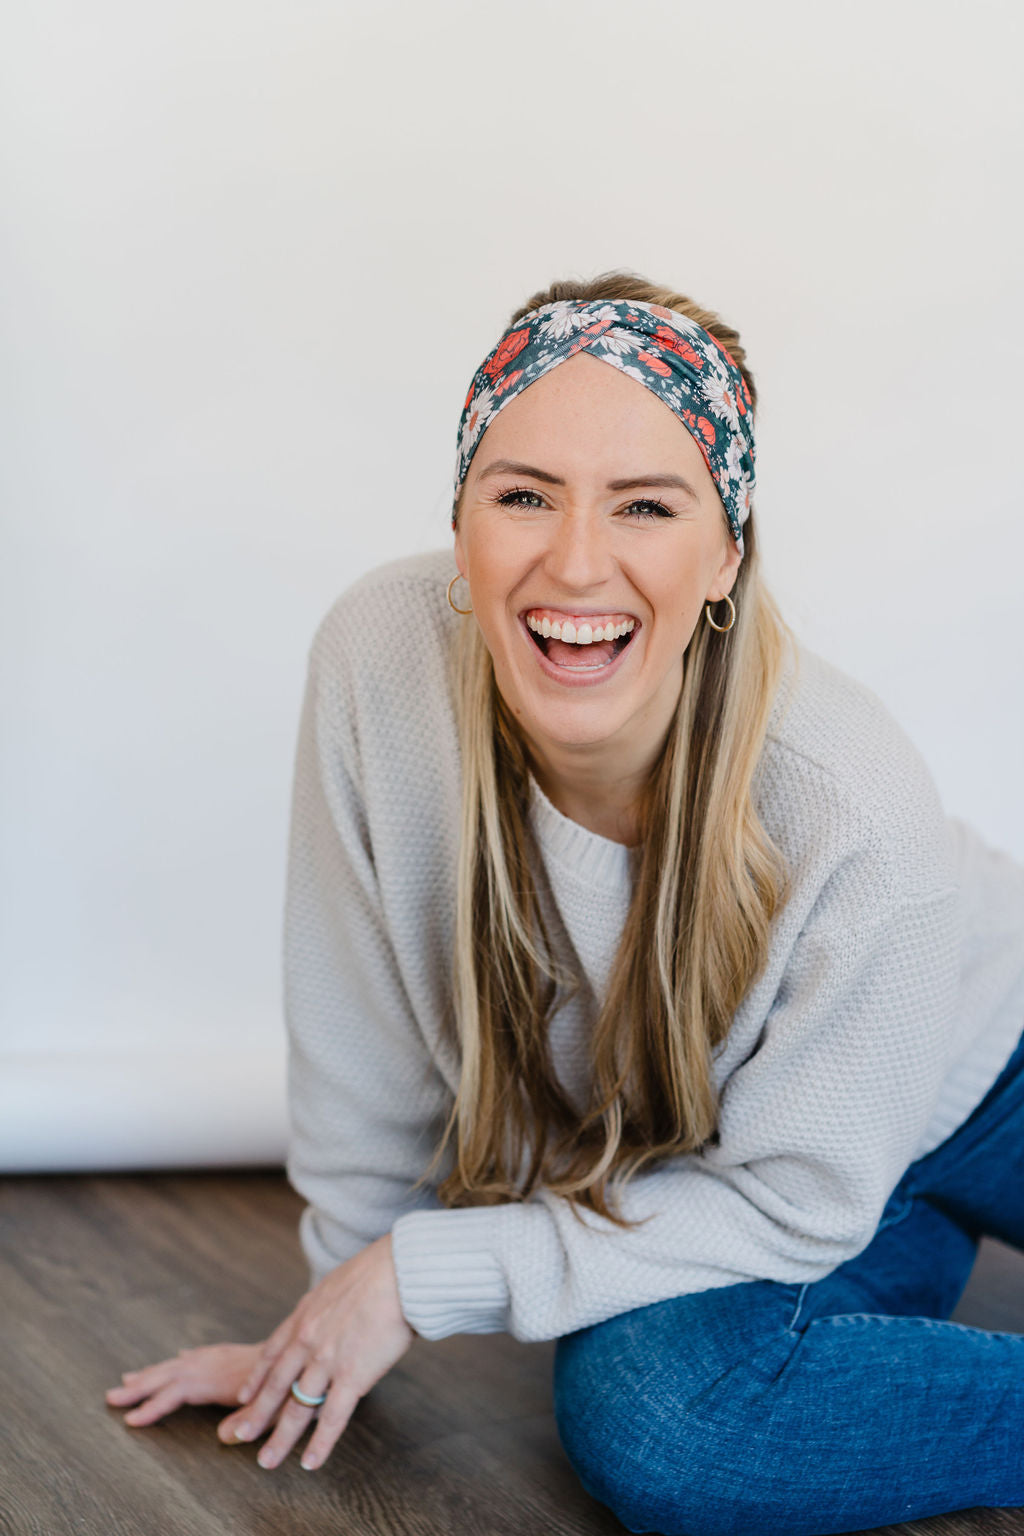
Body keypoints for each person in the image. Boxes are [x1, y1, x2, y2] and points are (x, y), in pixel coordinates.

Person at [105, 272, 1024, 1534]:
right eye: (524, 494)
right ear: (461, 524)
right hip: (792, 1166)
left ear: (726, 556)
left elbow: (799, 1198)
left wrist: (426, 1276)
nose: (575, 561)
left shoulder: (848, 796)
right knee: (659, 1416)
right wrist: (332, 1324)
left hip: (989, 1064)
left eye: (645, 505)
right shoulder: (381, 664)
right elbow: (357, 1050)